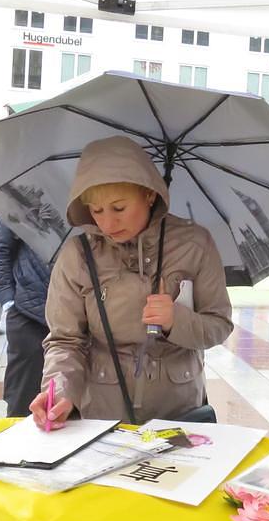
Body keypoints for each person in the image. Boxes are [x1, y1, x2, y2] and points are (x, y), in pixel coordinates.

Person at [30, 136, 233, 428]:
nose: (107, 223)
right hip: (103, 414)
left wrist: (176, 320)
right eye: (96, 211)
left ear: (149, 195)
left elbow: (219, 325)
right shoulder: (78, 255)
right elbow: (65, 340)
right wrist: (60, 392)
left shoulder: (195, 243)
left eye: (119, 208)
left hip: (179, 412)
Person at [0, 220, 52, 417]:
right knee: (23, 394)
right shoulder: (20, 204)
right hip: (27, 310)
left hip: (76, 310)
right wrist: (8, 299)